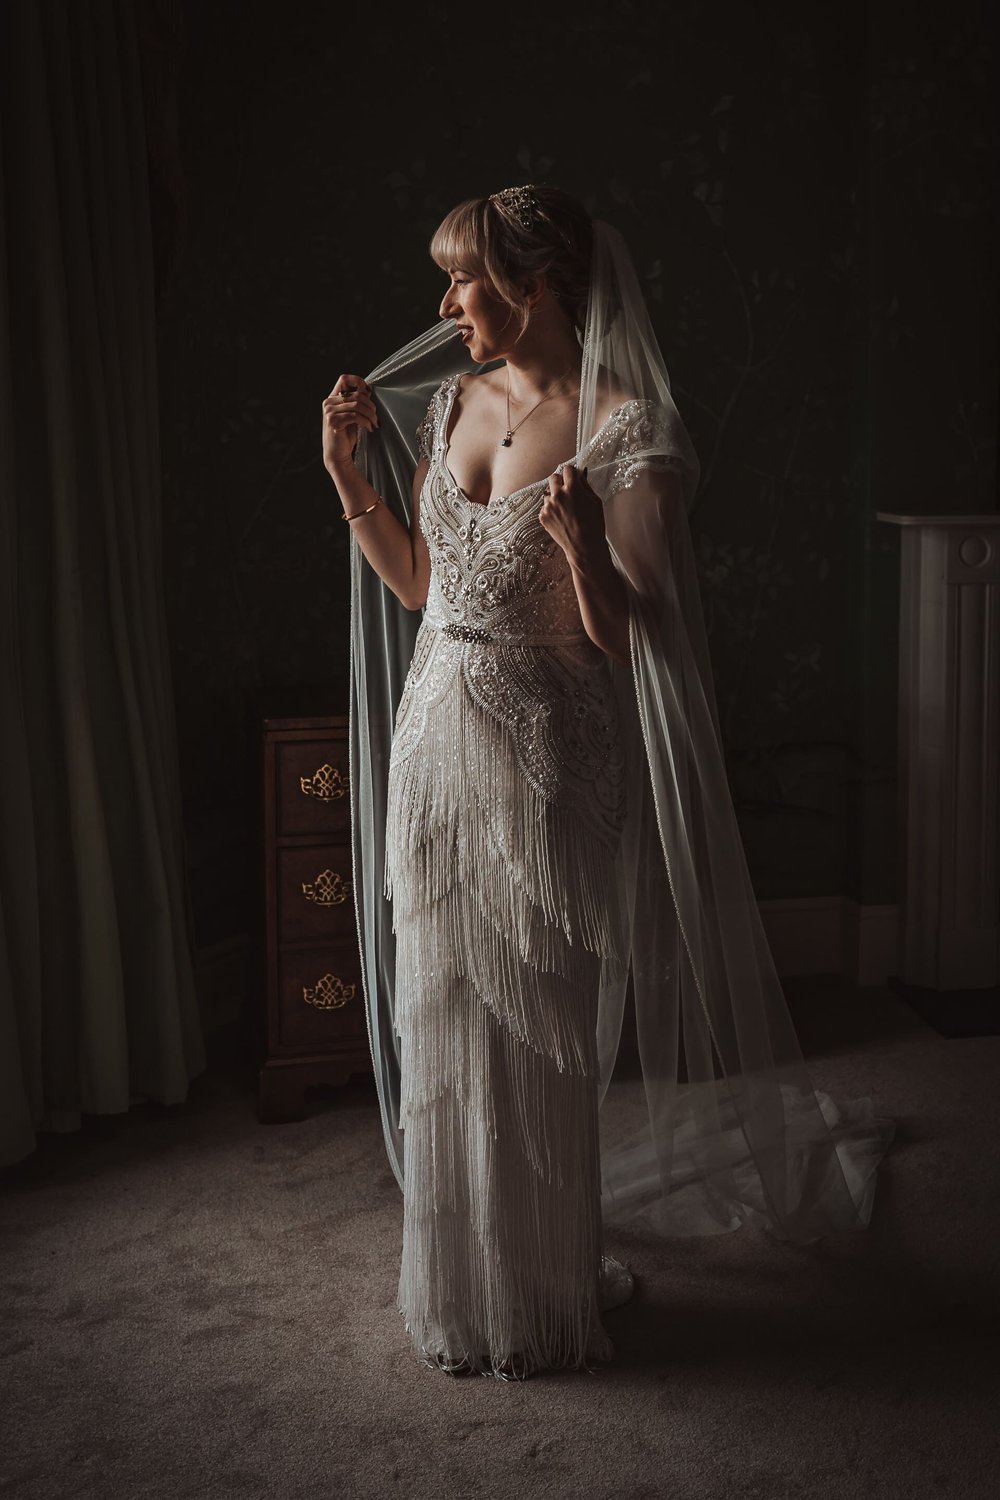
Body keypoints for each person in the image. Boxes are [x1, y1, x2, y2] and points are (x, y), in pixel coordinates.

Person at [323, 185, 894, 1383]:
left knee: (534, 1029)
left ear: (533, 286)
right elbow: (427, 587)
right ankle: (456, 1292)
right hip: (436, 745)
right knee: (439, 1011)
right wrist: (349, 481)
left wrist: (583, 549)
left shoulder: (630, 425)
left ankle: (537, 1294)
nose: (443, 306)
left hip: (548, 757)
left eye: (463, 280)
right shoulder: (457, 405)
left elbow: (632, 640)